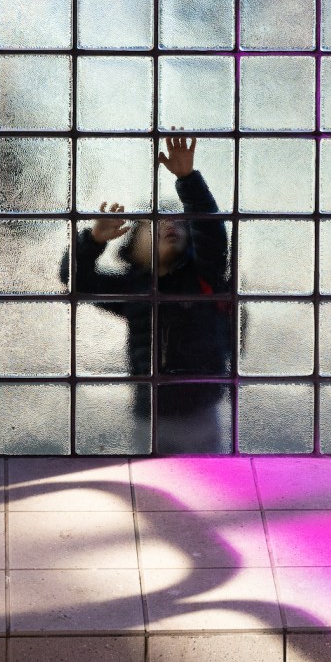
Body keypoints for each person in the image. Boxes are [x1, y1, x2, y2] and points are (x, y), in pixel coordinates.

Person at [62, 133, 232, 452]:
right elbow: (76, 281)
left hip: (201, 413)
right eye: (153, 224)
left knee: (210, 483)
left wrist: (188, 179)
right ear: (131, 248)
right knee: (150, 490)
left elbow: (211, 233)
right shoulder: (133, 288)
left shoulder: (201, 279)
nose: (170, 225)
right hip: (149, 416)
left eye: (179, 223)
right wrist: (94, 240)